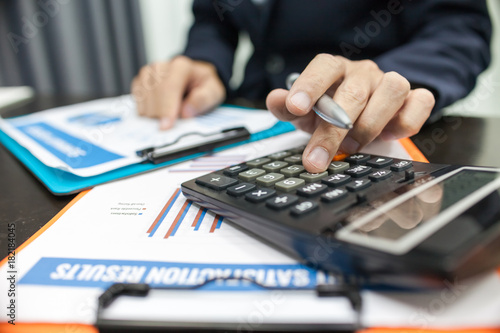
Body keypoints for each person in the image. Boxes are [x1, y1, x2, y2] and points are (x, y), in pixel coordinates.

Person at [131, 0, 492, 173]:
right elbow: (213, 15)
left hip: (372, 128)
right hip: (253, 111)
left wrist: (384, 80)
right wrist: (204, 60)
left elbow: (457, 27)